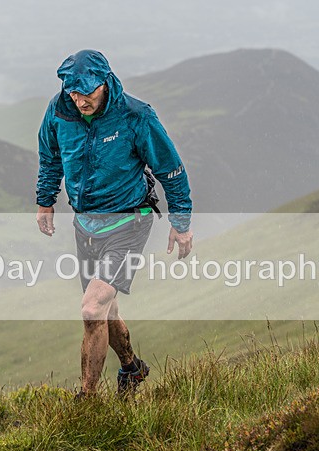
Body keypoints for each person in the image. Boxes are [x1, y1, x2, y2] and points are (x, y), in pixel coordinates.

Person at [35, 49, 193, 397]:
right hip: (85, 227)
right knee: (104, 312)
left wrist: (181, 222)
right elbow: (50, 157)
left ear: (105, 82)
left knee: (91, 308)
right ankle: (132, 369)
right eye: (73, 92)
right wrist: (45, 200)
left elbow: (171, 170)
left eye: (87, 92)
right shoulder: (59, 111)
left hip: (129, 222)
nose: (79, 100)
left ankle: (87, 402)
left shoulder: (136, 117)